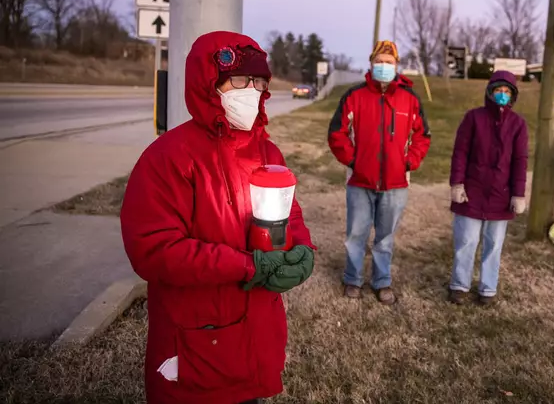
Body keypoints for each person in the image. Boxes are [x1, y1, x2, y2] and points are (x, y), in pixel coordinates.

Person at [120, 31, 316, 404]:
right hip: (197, 339)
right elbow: (154, 249)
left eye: (259, 82)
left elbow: (289, 213)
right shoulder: (169, 157)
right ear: (210, 84)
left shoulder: (267, 150)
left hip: (255, 329)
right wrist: (245, 266)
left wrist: (303, 248)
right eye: (240, 81)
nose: (252, 91)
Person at [327, 40, 431, 305]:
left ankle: (382, 281)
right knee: (356, 235)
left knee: (385, 238)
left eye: (389, 62)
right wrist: (354, 160)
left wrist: (409, 162)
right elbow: (336, 133)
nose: (384, 66)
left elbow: (423, 136)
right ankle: (353, 279)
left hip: (396, 184)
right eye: (380, 62)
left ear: (397, 66)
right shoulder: (354, 96)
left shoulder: (410, 99)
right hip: (359, 181)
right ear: (371, 64)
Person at [447, 71, 528, 305]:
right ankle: (459, 285)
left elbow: (520, 160)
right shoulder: (473, 118)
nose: (502, 95)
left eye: (507, 92)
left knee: (494, 244)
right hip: (471, 191)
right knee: (466, 240)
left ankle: (487, 289)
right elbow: (460, 152)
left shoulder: (518, 124)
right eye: (498, 90)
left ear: (512, 96)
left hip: (501, 195)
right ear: (489, 92)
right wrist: (457, 183)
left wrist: (518, 193)